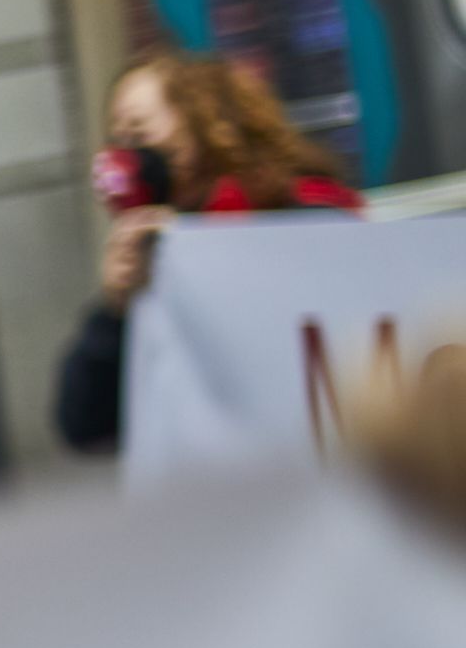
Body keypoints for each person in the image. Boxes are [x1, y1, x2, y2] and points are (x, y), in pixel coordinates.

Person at [52, 50, 362, 454]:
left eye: (140, 133)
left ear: (204, 121)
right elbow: (83, 423)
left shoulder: (302, 214)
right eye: (118, 139)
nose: (125, 155)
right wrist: (116, 309)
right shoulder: (148, 261)